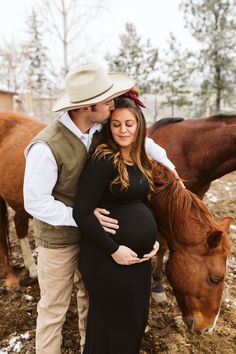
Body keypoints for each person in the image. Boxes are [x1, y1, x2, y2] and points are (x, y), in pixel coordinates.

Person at [23, 64, 182, 354]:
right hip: (59, 238)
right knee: (54, 308)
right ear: (88, 106)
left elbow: (142, 140)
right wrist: (81, 216)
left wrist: (171, 169)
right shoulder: (46, 146)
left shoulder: (98, 129)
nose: (113, 103)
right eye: (107, 99)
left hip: (92, 239)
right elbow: (35, 202)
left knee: (90, 303)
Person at [72, 91, 174, 354]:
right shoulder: (104, 159)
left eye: (129, 124)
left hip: (137, 262)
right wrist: (114, 250)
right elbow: (81, 212)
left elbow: (142, 205)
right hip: (107, 260)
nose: (122, 130)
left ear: (139, 125)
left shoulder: (140, 159)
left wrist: (151, 241)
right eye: (116, 124)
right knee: (111, 327)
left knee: (134, 322)